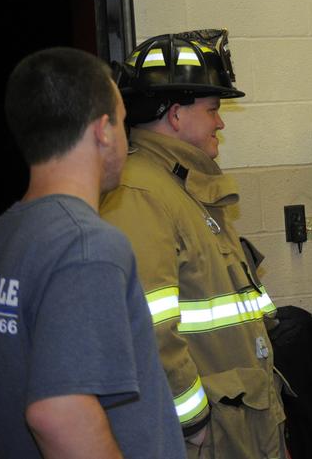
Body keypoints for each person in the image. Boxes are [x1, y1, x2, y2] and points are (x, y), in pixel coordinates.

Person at [0, 48, 186, 458]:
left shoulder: (4, 234)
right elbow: (59, 414)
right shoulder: (87, 245)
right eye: (123, 122)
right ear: (103, 131)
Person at [101, 29, 285, 459]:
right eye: (213, 109)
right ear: (176, 114)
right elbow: (147, 325)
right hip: (209, 437)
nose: (220, 122)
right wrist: (192, 421)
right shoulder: (141, 194)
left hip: (240, 425)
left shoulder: (182, 187)